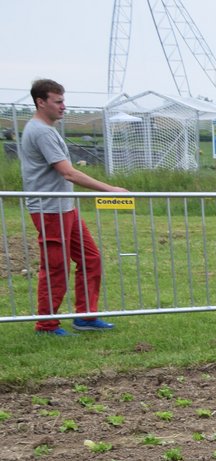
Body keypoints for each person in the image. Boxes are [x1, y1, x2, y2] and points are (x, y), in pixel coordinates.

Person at [20, 78, 127, 335]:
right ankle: (46, 324)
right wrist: (110, 189)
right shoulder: (41, 131)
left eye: (63, 101)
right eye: (58, 101)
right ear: (41, 102)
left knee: (91, 258)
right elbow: (68, 173)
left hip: (64, 207)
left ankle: (86, 316)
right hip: (49, 210)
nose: (63, 106)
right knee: (56, 266)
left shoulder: (47, 129)